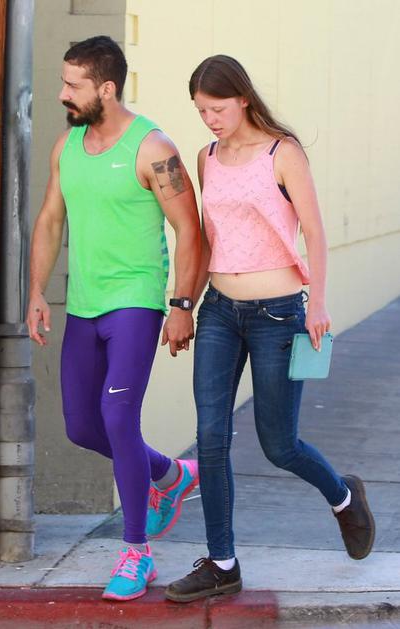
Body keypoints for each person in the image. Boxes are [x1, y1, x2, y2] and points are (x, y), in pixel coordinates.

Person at [164, 55, 375, 603]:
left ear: (242, 98)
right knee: (211, 436)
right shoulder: (207, 157)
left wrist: (318, 303)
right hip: (219, 311)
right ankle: (222, 562)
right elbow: (207, 238)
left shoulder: (284, 153)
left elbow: (315, 233)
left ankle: (343, 497)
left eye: (217, 108)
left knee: (279, 445)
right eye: (201, 111)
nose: (209, 119)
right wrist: (183, 304)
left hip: (279, 314)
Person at [26, 36, 201, 602]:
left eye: (72, 85)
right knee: (82, 425)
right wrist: (37, 292)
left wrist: (181, 304)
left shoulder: (153, 148)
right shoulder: (67, 147)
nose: (62, 93)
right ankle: (170, 475)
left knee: (117, 415)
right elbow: (50, 220)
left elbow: (190, 229)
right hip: (84, 304)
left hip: (136, 301)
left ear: (106, 88)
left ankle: (135, 553)